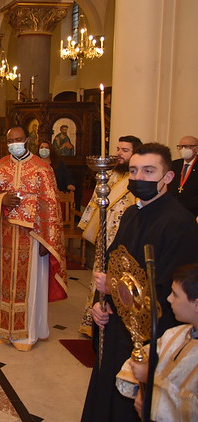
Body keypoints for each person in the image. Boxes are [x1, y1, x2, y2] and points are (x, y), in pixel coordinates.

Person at [81, 142, 198, 421]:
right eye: (134, 171)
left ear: (167, 177)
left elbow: (169, 292)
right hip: (116, 326)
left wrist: (114, 287)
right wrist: (101, 305)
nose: (139, 178)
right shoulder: (132, 214)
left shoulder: (180, 224)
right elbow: (112, 265)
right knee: (106, 393)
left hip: (147, 336)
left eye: (148, 171)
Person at [0, 126, 68, 351]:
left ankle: (27, 333)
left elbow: (51, 205)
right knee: (4, 284)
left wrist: (48, 240)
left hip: (33, 237)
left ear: (27, 140)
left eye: (18, 140)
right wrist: (1, 200)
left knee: (31, 286)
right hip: (5, 235)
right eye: (11, 141)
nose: (14, 144)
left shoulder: (42, 168)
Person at [115, 263, 198, 420]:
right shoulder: (175, 334)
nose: (168, 299)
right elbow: (141, 363)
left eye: (175, 295)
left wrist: (150, 378)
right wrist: (142, 393)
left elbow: (191, 409)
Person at [77, 135, 142, 336]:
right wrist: (88, 227)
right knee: (99, 279)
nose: (119, 154)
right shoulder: (110, 174)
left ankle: (115, 326)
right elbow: (95, 203)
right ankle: (94, 321)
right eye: (118, 149)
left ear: (135, 153)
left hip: (123, 242)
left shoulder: (137, 180)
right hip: (104, 238)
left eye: (125, 150)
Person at [168, 135, 198, 217]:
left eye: (187, 146)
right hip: (171, 210)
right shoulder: (174, 164)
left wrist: (183, 205)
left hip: (192, 212)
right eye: (180, 147)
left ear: (196, 148)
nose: (183, 149)